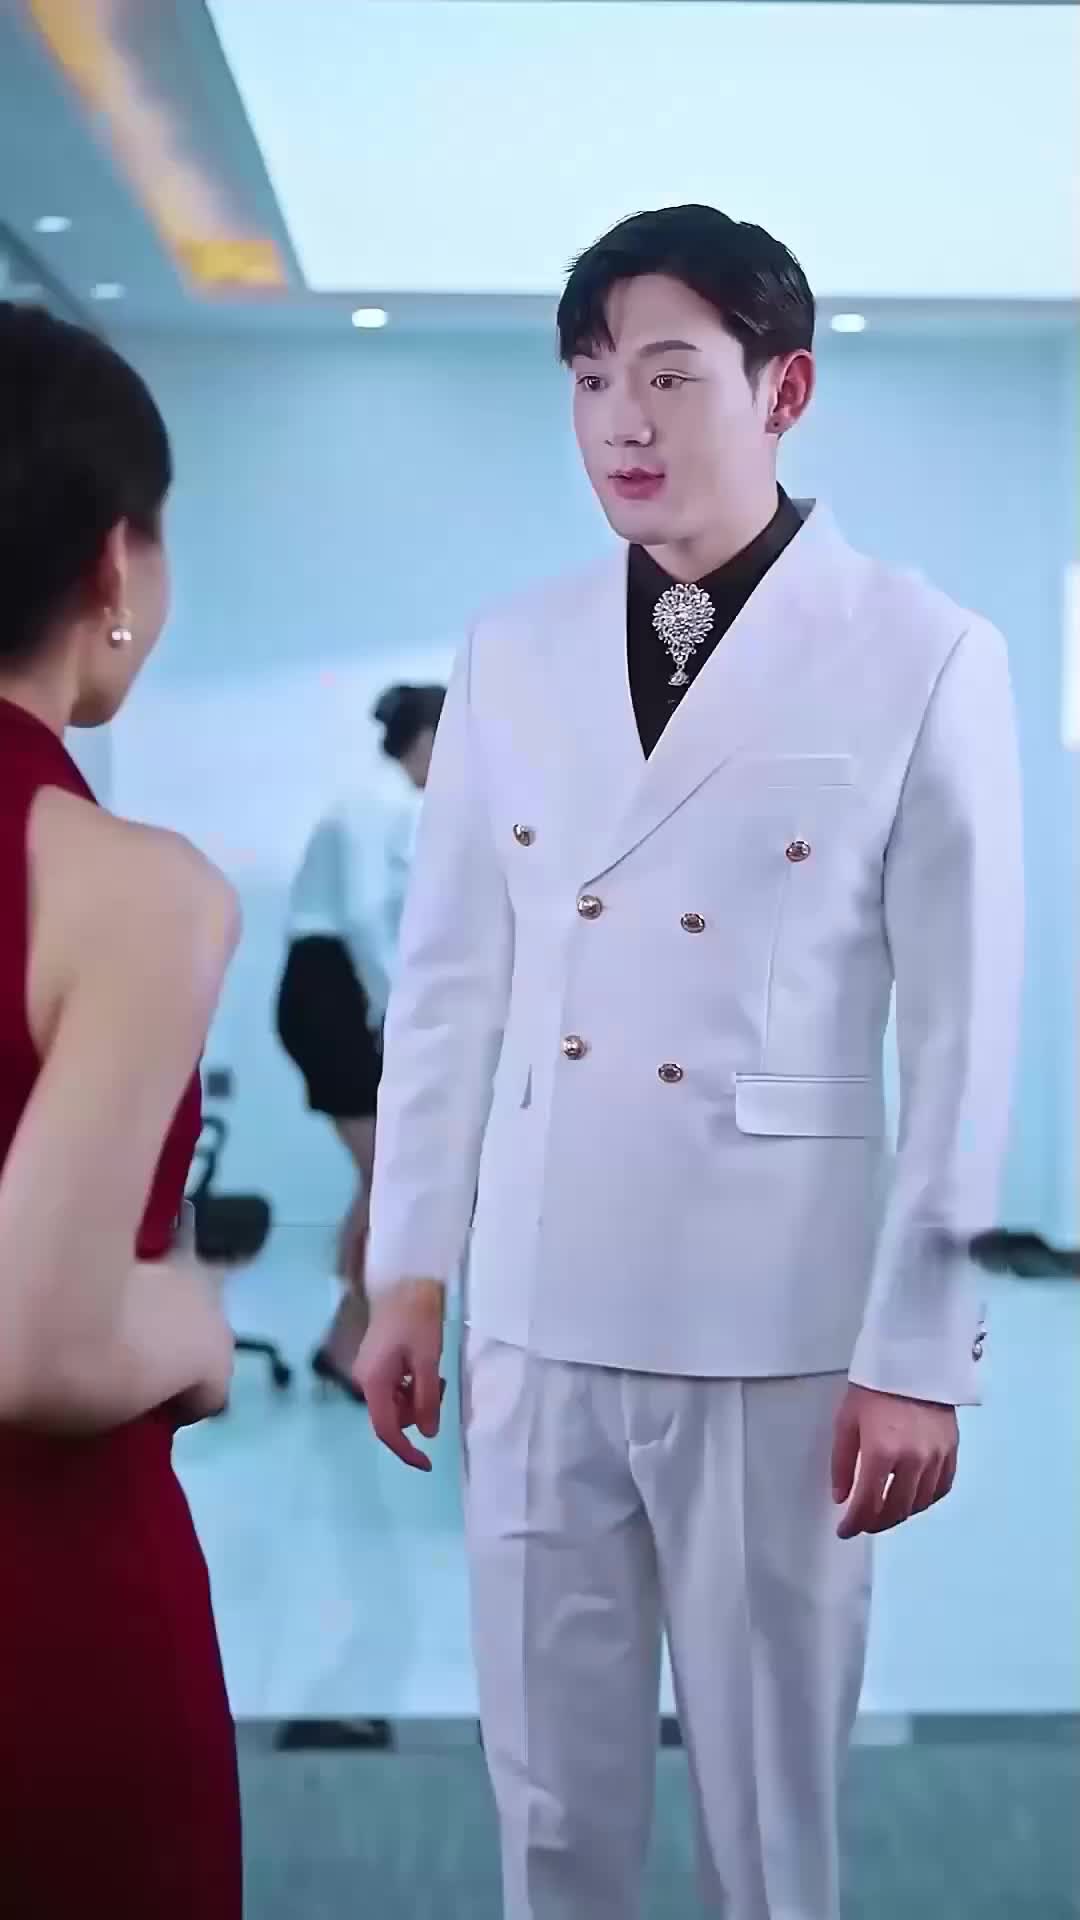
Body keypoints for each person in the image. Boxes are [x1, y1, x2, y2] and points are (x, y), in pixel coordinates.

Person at [356, 206, 1025, 1918]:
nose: (621, 423)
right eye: (590, 380)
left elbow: (963, 1031)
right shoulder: (511, 648)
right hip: (533, 1306)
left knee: (770, 1830)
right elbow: (448, 983)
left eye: (668, 376)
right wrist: (409, 1266)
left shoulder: (923, 650)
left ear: (783, 389)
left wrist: (920, 1351)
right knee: (548, 1814)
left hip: (774, 1324)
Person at [0, 305, 242, 1915]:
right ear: (114, 562)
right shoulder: (127, 889)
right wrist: (195, 1323)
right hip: (44, 1601)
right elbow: (42, 1347)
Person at [276, 682, 444, 1397]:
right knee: (394, 1180)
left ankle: (345, 1340)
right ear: (427, 739)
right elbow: (366, 920)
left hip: (338, 990)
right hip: (333, 991)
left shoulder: (391, 804)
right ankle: (350, 1343)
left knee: (387, 1180)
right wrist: (400, 1014)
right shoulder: (378, 805)